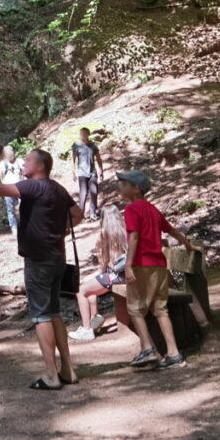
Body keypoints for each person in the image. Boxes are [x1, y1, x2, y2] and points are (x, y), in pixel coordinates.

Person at [0, 146, 83, 390]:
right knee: (54, 312)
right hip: (57, 259)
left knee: (41, 315)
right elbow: (78, 214)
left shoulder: (33, 186)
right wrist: (62, 227)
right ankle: (68, 371)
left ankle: (52, 376)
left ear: (40, 166)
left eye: (28, 160)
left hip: (38, 261)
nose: (24, 164)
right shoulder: (58, 189)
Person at [118, 170, 196, 369]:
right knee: (160, 309)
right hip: (159, 265)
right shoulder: (152, 209)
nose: (120, 186)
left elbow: (134, 237)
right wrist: (187, 244)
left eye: (124, 184)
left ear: (136, 190)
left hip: (141, 264)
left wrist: (128, 265)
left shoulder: (132, 210)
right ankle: (174, 353)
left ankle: (147, 349)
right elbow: (172, 230)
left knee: (135, 308)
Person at [68, 205, 127, 341]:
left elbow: (104, 264)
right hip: (123, 274)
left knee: (80, 290)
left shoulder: (104, 235)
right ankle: (95, 319)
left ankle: (87, 329)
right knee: (86, 283)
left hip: (115, 276)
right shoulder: (125, 232)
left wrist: (97, 276)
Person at [71, 128, 104, 222]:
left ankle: (93, 213)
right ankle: (81, 216)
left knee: (94, 191)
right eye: (82, 134)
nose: (83, 135)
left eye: (85, 134)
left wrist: (101, 170)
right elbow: (73, 159)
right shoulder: (76, 145)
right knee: (84, 193)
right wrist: (73, 172)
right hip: (82, 172)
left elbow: (98, 158)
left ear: (88, 134)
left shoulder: (93, 145)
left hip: (92, 172)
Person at [0, 145, 25, 236]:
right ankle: (14, 228)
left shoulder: (20, 161)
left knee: (24, 207)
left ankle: (25, 225)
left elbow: (25, 173)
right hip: (8, 189)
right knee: (10, 210)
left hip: (20, 188)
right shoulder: (3, 164)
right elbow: (0, 177)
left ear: (14, 152)